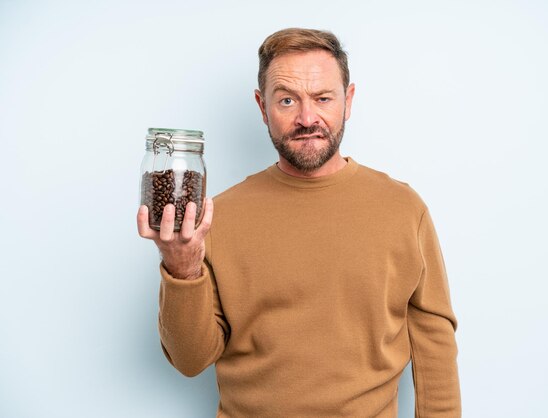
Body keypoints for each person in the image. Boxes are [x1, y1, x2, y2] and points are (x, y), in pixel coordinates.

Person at [137, 28, 461, 418]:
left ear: (349, 100)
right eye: (287, 100)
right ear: (262, 107)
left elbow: (435, 346)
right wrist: (182, 267)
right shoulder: (216, 218)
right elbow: (190, 361)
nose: (308, 118)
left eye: (323, 98)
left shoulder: (404, 209)